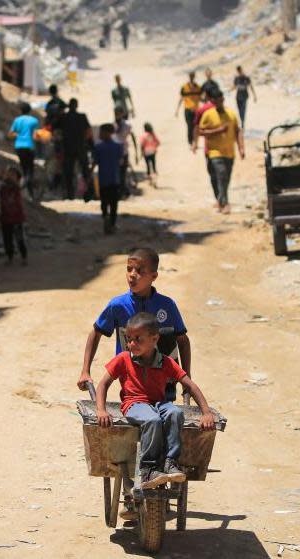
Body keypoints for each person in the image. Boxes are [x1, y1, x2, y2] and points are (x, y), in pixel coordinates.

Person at [94, 312, 216, 491]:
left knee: (175, 413)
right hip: (133, 404)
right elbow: (103, 384)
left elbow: (190, 385)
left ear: (154, 339)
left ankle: (169, 462)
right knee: (153, 420)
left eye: (138, 339)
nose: (131, 344)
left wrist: (206, 413)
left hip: (158, 404)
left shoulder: (165, 362)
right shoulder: (123, 359)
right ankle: (148, 469)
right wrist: (101, 410)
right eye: (129, 339)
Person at [77, 247, 192, 393]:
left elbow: (182, 340)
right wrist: (85, 371)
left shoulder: (167, 305)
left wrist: (186, 376)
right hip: (131, 381)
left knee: (168, 413)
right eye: (129, 269)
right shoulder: (118, 305)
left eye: (139, 271)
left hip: (164, 381)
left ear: (154, 276)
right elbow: (96, 333)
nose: (132, 275)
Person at [198, 89, 245, 214]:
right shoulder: (208, 114)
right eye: (216, 101)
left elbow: (238, 130)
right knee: (221, 174)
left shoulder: (231, 114)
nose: (219, 103)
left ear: (223, 100)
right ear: (213, 101)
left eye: (221, 100)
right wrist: (217, 131)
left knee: (225, 178)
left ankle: (220, 199)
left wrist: (241, 148)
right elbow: (201, 131)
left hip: (229, 152)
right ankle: (225, 203)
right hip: (214, 152)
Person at [93, 124, 124, 234]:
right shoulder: (118, 147)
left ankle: (105, 217)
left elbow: (95, 162)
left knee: (104, 202)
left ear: (108, 133)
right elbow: (121, 162)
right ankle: (112, 223)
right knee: (114, 204)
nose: (99, 134)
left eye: (101, 132)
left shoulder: (98, 147)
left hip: (103, 180)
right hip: (114, 180)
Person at [60, 98, 93, 200]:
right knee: (85, 171)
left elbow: (56, 128)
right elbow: (89, 132)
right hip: (81, 147)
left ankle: (70, 194)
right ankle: (89, 193)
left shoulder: (64, 117)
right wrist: (90, 145)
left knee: (68, 172)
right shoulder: (82, 117)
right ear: (76, 105)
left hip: (68, 148)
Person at [9, 102, 40, 197]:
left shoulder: (17, 120)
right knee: (30, 171)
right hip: (30, 146)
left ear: (20, 110)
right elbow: (36, 135)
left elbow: (10, 134)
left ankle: (27, 192)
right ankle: (26, 191)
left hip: (19, 146)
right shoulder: (34, 120)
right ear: (30, 111)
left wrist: (19, 135)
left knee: (24, 168)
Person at [0, 166, 28, 264]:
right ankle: (9, 257)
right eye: (9, 174)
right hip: (5, 217)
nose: (10, 176)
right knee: (7, 239)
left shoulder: (18, 187)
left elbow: (19, 186)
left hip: (17, 217)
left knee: (20, 239)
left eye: (12, 174)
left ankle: (24, 257)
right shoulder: (3, 187)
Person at [113, 108, 138, 197]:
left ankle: (122, 191)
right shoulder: (112, 125)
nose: (116, 115)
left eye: (118, 113)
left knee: (122, 172)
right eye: (116, 113)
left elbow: (133, 137)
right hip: (114, 153)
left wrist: (136, 152)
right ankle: (121, 190)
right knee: (117, 173)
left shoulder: (127, 125)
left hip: (123, 152)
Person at [174, 71, 202, 144]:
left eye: (193, 76)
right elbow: (181, 98)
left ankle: (195, 141)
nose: (192, 77)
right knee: (189, 126)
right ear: (189, 77)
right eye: (191, 76)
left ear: (194, 77)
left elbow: (201, 98)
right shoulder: (184, 87)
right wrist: (177, 110)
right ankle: (190, 141)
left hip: (196, 110)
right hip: (188, 109)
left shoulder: (198, 87)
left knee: (196, 126)